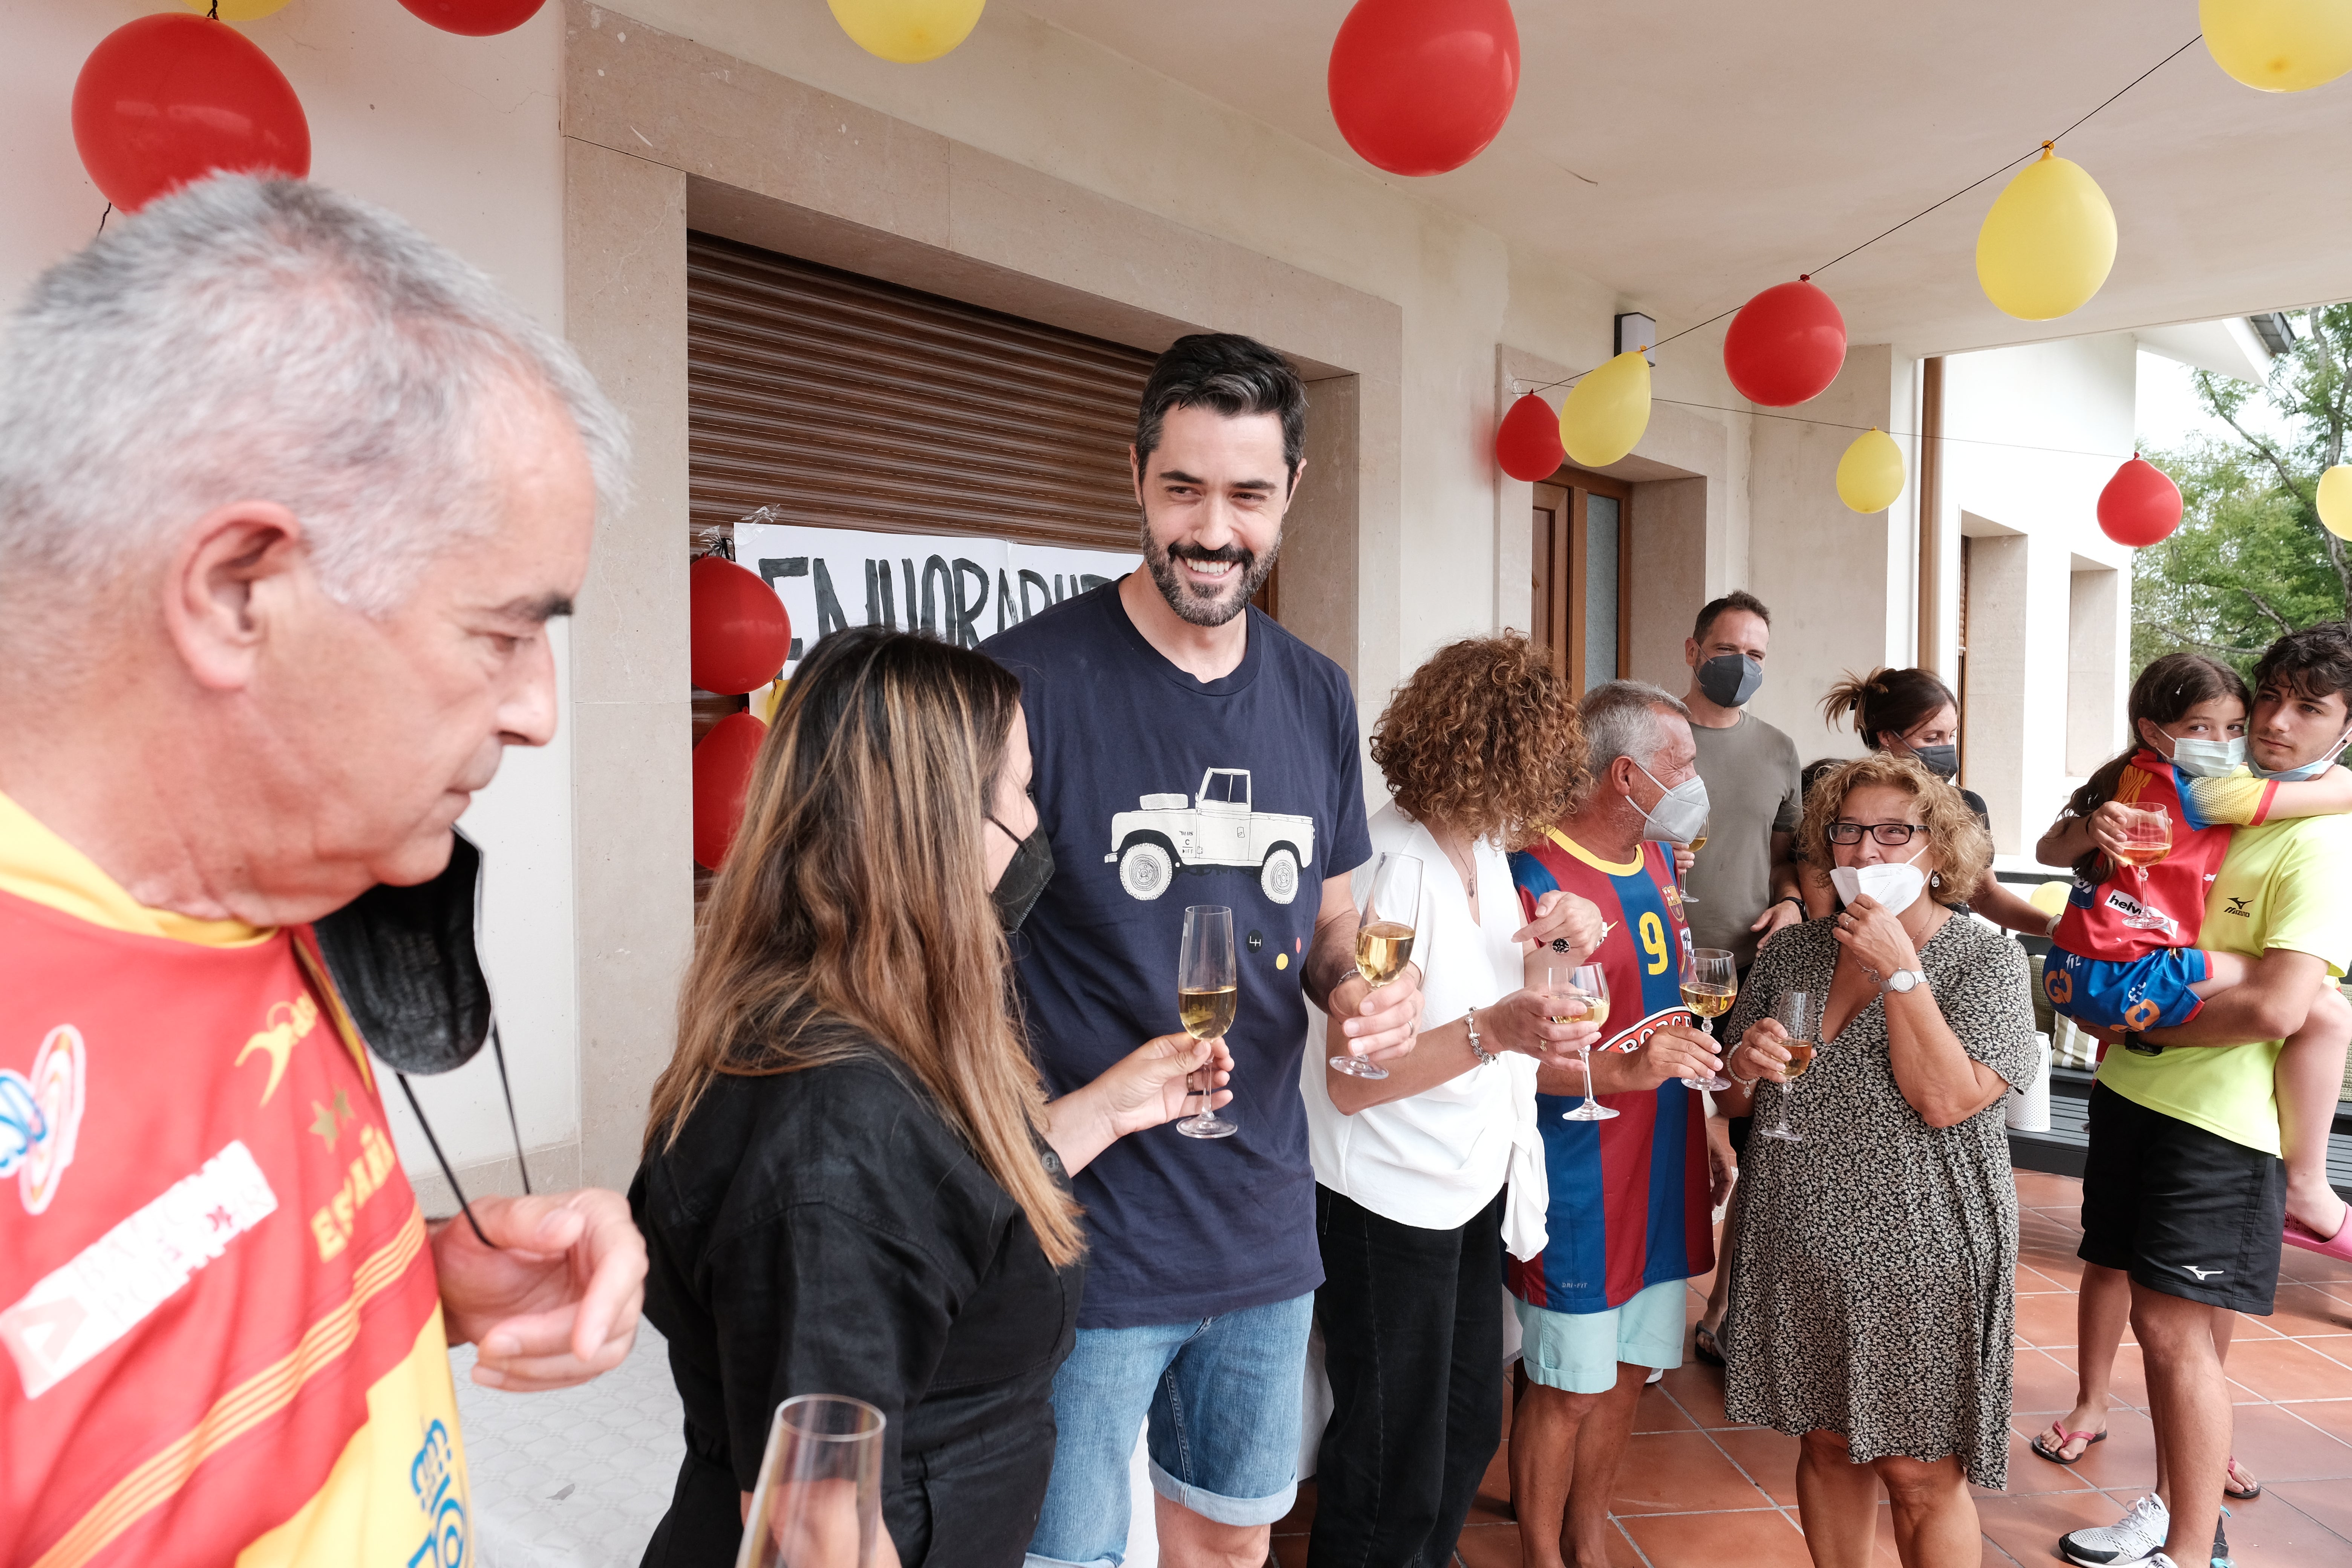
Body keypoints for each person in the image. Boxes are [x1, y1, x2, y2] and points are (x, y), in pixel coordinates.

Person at [0, 176, 648, 1566]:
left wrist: (420, 1279)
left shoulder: (276, 884)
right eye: (502, 635)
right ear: (242, 588)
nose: (540, 711)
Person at [631, 628, 1235, 1568]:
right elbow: (813, 1532)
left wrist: (1113, 1108)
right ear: (936, 827)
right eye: (1020, 791)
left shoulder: (869, 1037)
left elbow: (944, 1204)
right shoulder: (830, 1131)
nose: (1037, 826)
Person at [978, 333, 1428, 1568]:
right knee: (1065, 1558)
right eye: (1183, 489)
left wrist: (1362, 993)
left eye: (1246, 494)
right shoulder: (1025, 681)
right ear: (1137, 481)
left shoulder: (1317, 693)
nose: (1212, 530)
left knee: (1232, 1545)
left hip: (1261, 1222)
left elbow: (1332, 922)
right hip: (1083, 1230)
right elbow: (941, 950)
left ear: (1291, 493)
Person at [2042, 626, 2352, 1568]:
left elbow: (2280, 1005)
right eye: (2271, 697)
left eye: (2310, 708)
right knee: (2176, 1328)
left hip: (2217, 1120)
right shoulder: (2205, 797)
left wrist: (2139, 1023)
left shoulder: (2315, 840)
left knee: (2171, 1330)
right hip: (2133, 1092)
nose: (2276, 721)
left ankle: (2186, 1552)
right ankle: (2184, 1514)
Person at [1298, 633, 1604, 1568]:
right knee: (1391, 1468)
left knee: (1467, 1428)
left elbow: (1520, 992)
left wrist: (1568, 938)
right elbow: (1356, 1084)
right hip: (1386, 1200)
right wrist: (1493, 1034)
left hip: (1465, 1184)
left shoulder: (1478, 852)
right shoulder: (1391, 871)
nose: (1551, 793)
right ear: (1499, 758)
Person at [1717, 753, 2038, 1568]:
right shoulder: (1795, 955)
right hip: (1799, 1241)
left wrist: (1901, 970)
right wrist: (1742, 1067)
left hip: (1922, 1254)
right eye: (1850, 831)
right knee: (1826, 1444)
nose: (1868, 851)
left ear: (1940, 849)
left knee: (1920, 1472)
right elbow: (1735, 1100)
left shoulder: (1984, 960)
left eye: (1896, 831)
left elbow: (1946, 1098)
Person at [1504, 681, 1730, 1568]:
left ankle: (1589, 1535)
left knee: (1634, 1366)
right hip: (1578, 1168)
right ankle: (1539, 1552)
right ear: (1629, 773)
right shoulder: (1531, 876)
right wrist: (1619, 1072)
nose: (1697, 780)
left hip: (1664, 1154)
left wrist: (1705, 1117)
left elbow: (1672, 1012)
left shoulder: (1663, 864)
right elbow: (1515, 1049)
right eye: (1684, 764)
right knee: (1564, 1382)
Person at [1677, 591, 1801, 1370]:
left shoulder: (1780, 749)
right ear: (1692, 650)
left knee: (1751, 1149)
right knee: (1666, 1138)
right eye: (1729, 651)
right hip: (1656, 974)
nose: (1743, 667)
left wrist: (1789, 900)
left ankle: (1721, 1311)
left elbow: (1788, 853)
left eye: (1757, 655)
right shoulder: (1653, 733)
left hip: (1745, 977)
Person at [1810, 665, 2053, 933]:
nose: (1946, 748)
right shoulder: (1838, 798)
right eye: (1932, 737)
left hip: (1943, 947)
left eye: (1950, 736)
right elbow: (1817, 897)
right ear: (1888, 736)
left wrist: (2055, 928)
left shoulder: (1967, 806)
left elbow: (1984, 894)